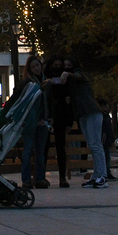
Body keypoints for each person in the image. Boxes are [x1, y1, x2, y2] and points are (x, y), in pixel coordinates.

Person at [61, 55, 108, 189]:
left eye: (68, 65)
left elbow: (78, 76)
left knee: (95, 145)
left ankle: (102, 176)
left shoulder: (78, 75)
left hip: (91, 112)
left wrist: (67, 74)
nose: (66, 68)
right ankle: (98, 175)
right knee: (93, 145)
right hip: (84, 114)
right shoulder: (75, 82)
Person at [17, 54, 51, 188]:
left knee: (40, 151)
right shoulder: (28, 83)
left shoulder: (45, 81)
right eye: (33, 66)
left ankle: (40, 178)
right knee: (28, 150)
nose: (37, 68)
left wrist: (47, 118)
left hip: (43, 121)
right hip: (31, 122)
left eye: (38, 65)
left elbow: (47, 102)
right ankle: (26, 179)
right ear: (29, 69)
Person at [45, 58, 74, 187]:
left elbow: (68, 101)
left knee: (60, 147)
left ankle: (62, 177)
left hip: (60, 115)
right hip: (49, 114)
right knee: (44, 147)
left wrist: (69, 121)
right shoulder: (46, 78)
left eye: (59, 65)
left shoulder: (64, 80)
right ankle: (42, 176)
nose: (57, 68)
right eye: (55, 65)